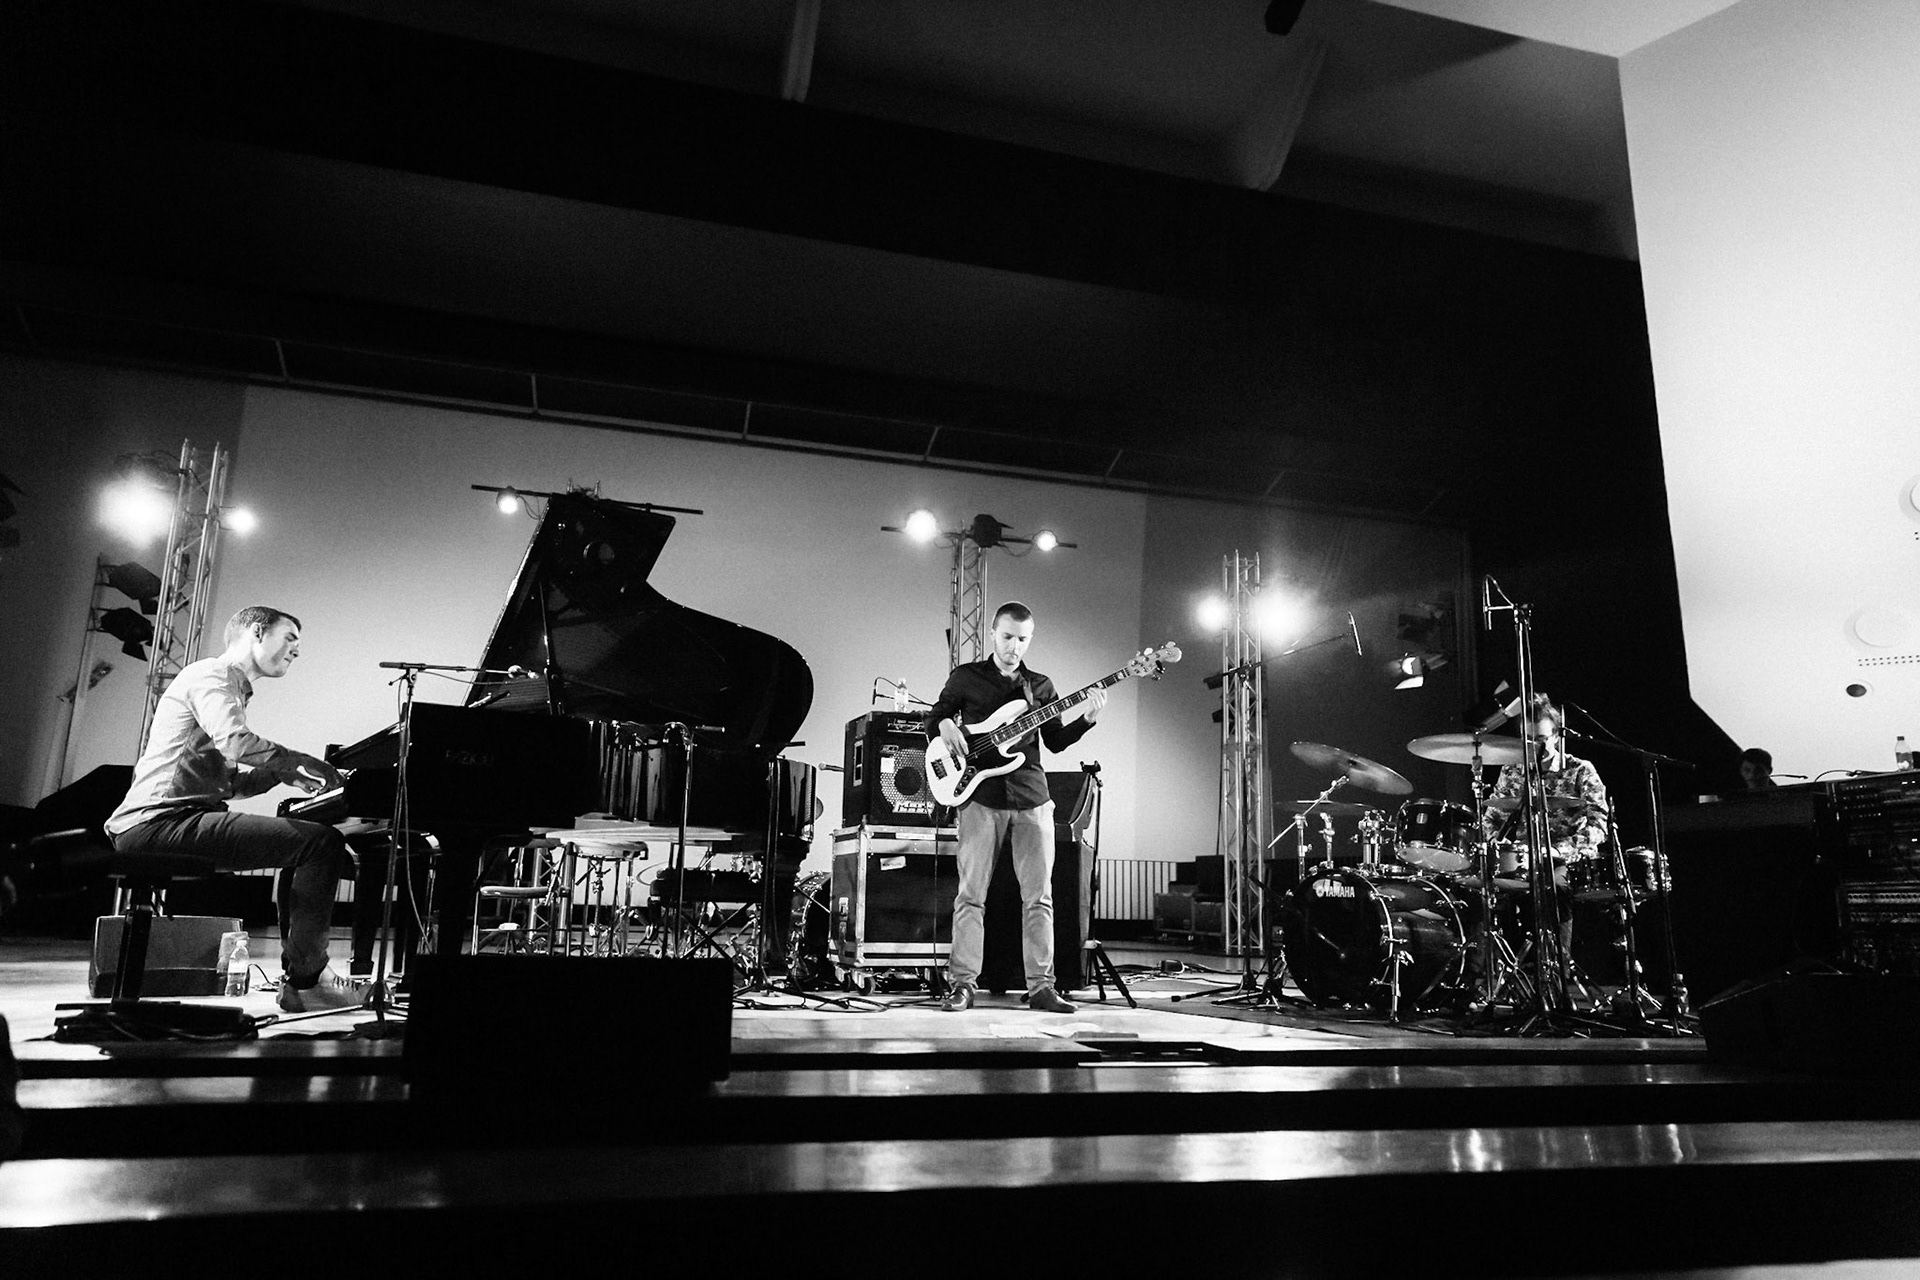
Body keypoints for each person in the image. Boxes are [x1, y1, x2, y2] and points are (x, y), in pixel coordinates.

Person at [105, 606, 365, 1012]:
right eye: (290, 638)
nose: (296, 651)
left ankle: (301, 977)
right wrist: (296, 759)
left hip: (173, 819)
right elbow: (236, 742)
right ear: (257, 632)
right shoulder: (211, 674)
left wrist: (281, 775)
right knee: (321, 844)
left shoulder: (229, 686)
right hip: (158, 823)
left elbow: (229, 784)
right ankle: (308, 980)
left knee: (304, 844)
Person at [926, 602, 1105, 1014]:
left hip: (1032, 798)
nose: (1014, 647)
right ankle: (962, 985)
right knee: (971, 895)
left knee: (1039, 898)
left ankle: (1042, 987)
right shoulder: (967, 677)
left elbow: (1056, 741)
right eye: (1007, 637)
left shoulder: (1039, 686)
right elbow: (935, 715)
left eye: (1022, 639)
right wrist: (945, 724)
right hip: (979, 797)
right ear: (993, 633)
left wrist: (1088, 719)